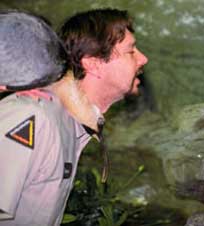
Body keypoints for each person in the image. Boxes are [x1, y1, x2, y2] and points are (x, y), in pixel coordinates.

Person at [0, 8, 148, 226]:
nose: (143, 58)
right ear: (93, 63)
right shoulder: (32, 116)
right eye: (131, 50)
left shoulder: (71, 126)